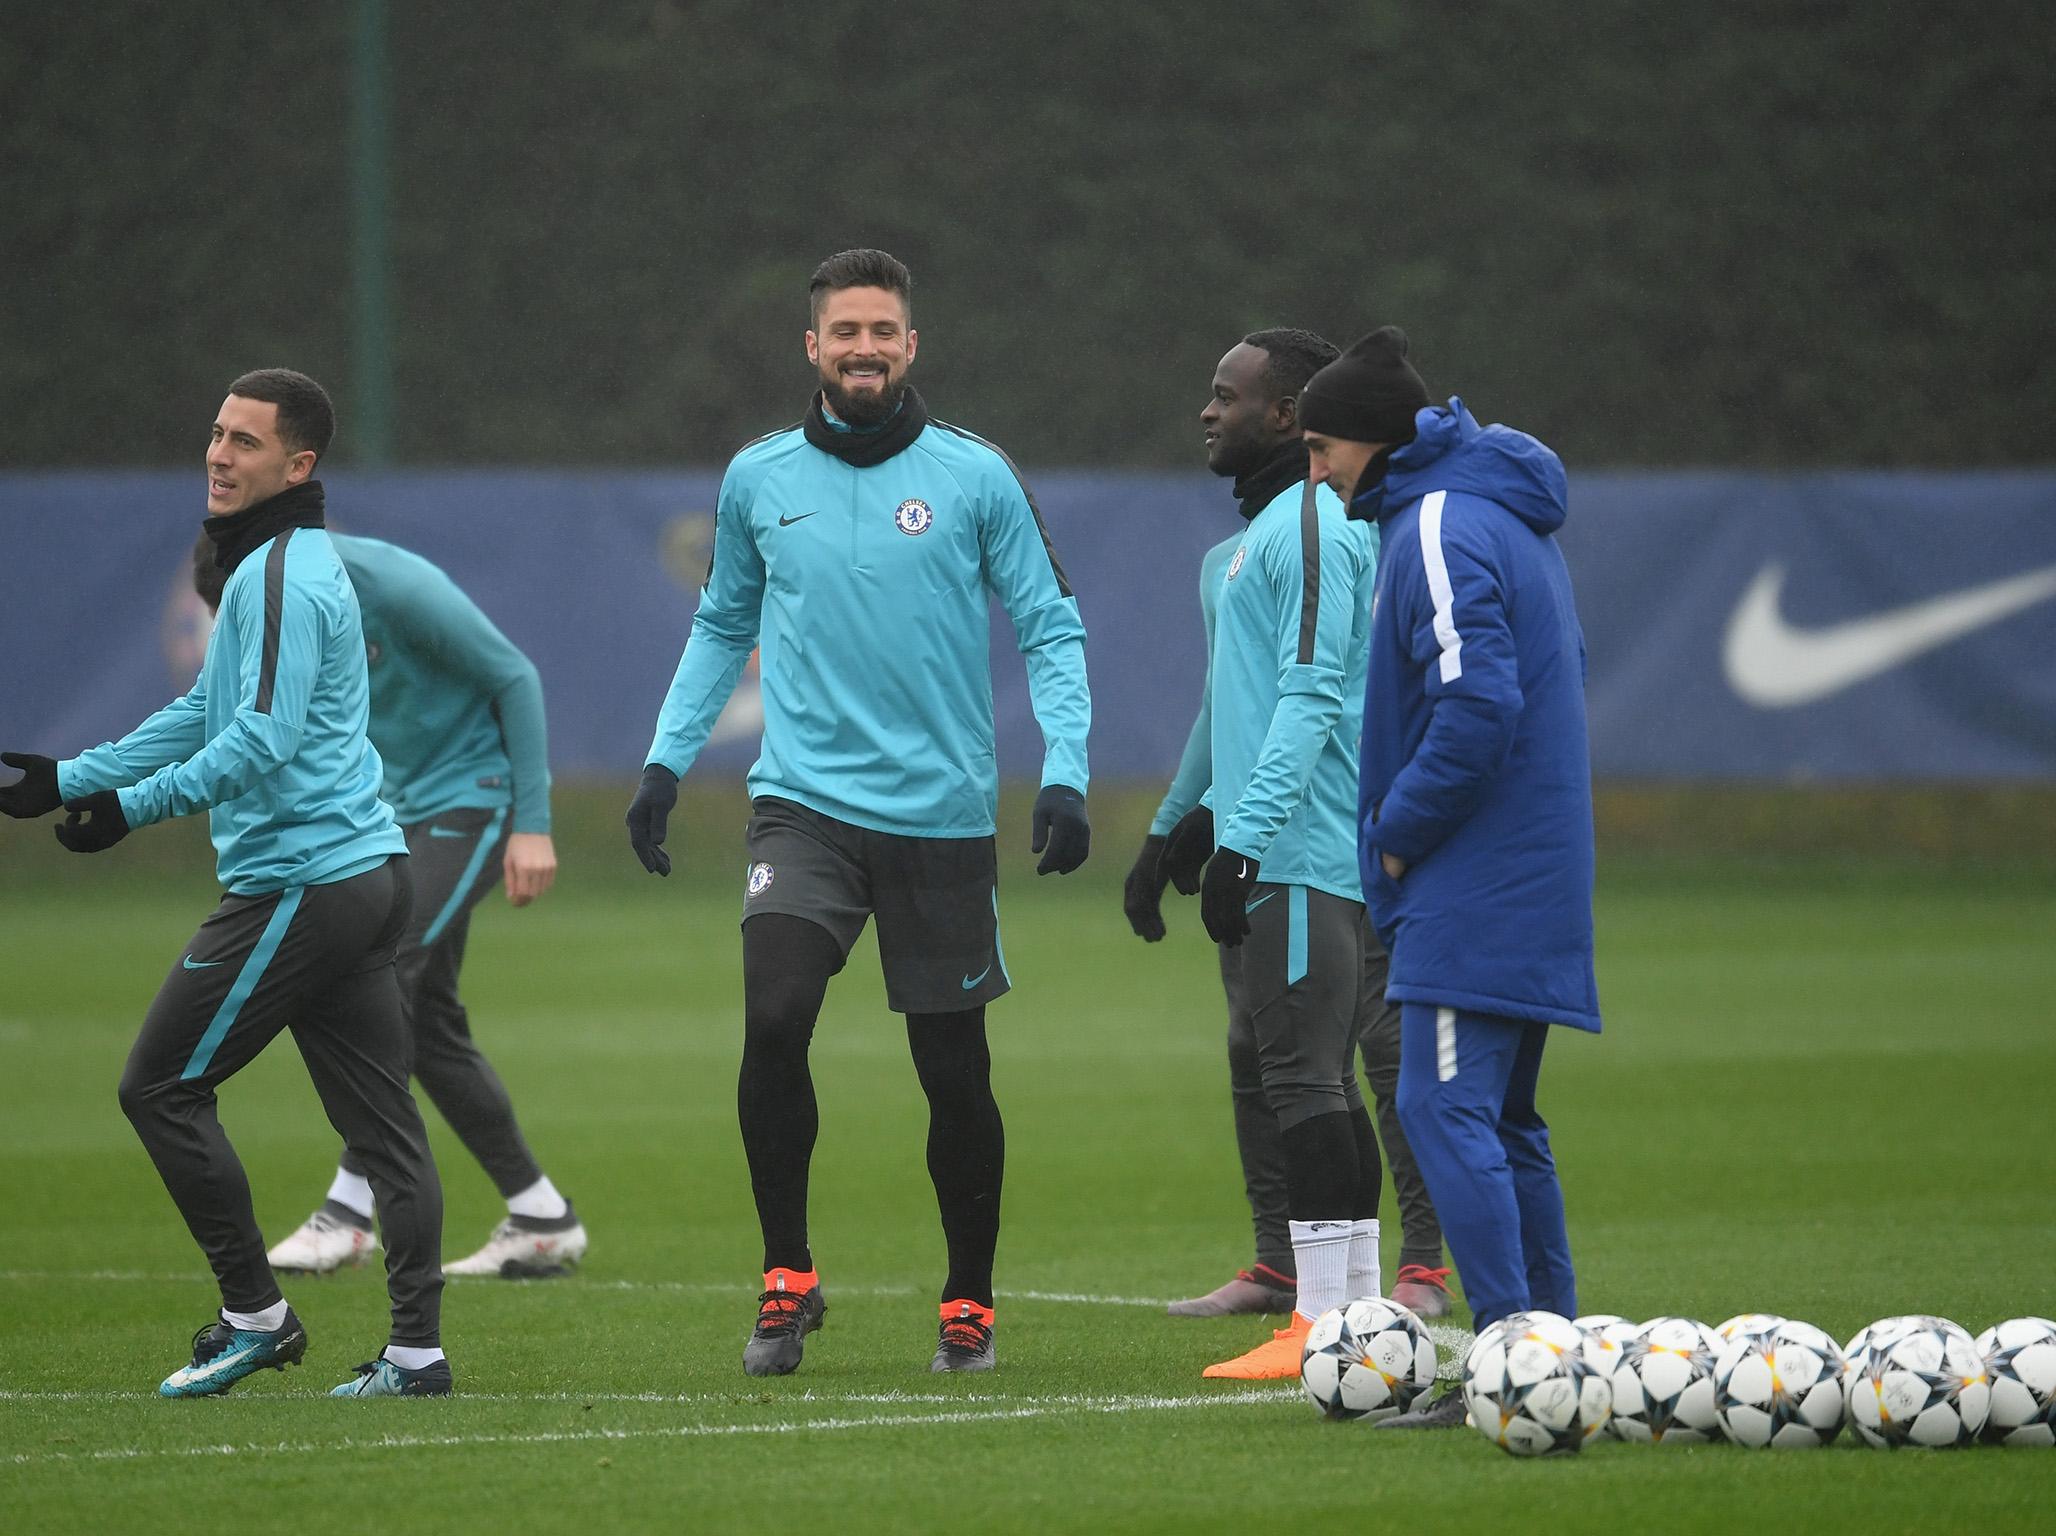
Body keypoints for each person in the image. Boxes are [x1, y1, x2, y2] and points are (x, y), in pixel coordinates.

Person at [626, 249, 1091, 1376]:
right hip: (804, 808)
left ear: (911, 345)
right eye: (846, 332)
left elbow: (1050, 625)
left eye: (883, 330)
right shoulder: (757, 479)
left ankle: (968, 1301)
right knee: (775, 1016)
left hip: (939, 818)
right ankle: (787, 1277)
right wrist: (662, 764)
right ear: (814, 349)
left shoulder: (976, 476)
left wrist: (1066, 767)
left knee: (953, 1071)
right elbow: (719, 626)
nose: (865, 348)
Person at [0, 369, 451, 1398]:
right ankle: (417, 1356)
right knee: (386, 1129)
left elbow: (260, 738)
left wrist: (131, 810)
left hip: (304, 882)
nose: (218, 452)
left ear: (298, 466)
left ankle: (257, 1314)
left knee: (158, 1087)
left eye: (244, 442)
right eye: (216, 433)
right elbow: (208, 708)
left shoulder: (279, 573)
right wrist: (70, 779)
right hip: (361, 870)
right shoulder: (272, 565)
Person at [1300, 327, 1599, 1429]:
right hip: (1532, 872)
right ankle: (1554, 1355)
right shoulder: (1492, 512)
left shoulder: (1432, 522)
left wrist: (1392, 831)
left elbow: (1478, 703)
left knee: (1437, 1105)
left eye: (1322, 445)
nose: (1317, 468)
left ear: (1373, 442)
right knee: (1506, 1119)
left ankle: (1508, 1360)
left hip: (1470, 882)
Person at [1124, 330, 1453, 1326]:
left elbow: (1312, 703)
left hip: (1307, 849)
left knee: (1321, 1078)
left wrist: (1244, 837)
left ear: (1286, 415)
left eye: (1226, 394)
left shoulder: (1314, 525)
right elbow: (1235, 702)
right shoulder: (1249, 547)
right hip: (1282, 847)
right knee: (1290, 1071)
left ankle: (1347, 1313)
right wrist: (1172, 830)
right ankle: (1333, 1308)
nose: (1205, 411)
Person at [184, 532, 583, 1280]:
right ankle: (540, 1215)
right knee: (426, 1021)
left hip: (474, 794)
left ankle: (348, 1209)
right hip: (394, 812)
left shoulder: (390, 583)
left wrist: (533, 824)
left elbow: (515, 677)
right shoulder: (275, 607)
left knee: (385, 969)